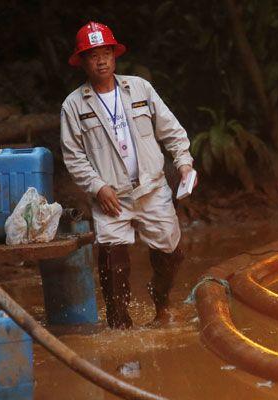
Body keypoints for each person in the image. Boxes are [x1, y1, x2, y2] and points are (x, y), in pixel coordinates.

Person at [60, 21, 195, 329]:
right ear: (82, 61)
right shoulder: (73, 106)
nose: (101, 60)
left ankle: (161, 304)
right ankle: (120, 326)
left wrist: (184, 163)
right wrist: (97, 187)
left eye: (106, 52)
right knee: (111, 261)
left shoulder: (140, 88)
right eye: (93, 55)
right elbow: (73, 155)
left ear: (115, 55)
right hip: (112, 197)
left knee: (172, 253)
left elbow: (171, 130)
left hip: (152, 187)